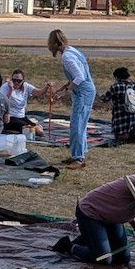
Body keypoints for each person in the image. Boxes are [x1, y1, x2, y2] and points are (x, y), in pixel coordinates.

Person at [58, 158, 135, 266]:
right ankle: (69, 246)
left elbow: (129, 206)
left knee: (122, 258)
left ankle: (89, 238)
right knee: (103, 259)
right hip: (91, 213)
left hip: (111, 218)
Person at [47, 29, 97, 169]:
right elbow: (77, 75)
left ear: (56, 43)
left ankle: (78, 158)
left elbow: (80, 77)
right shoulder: (72, 51)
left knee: (77, 125)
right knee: (80, 124)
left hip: (83, 93)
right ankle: (78, 154)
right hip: (84, 91)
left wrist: (66, 91)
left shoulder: (67, 57)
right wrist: (63, 87)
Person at [105, 67, 135, 145]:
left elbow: (105, 98)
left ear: (117, 77)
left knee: (118, 135)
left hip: (121, 114)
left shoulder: (116, 86)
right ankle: (134, 134)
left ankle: (128, 137)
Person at [0, 69, 37, 134]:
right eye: (14, 81)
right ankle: (10, 130)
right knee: (36, 130)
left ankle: (18, 131)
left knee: (39, 128)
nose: (16, 83)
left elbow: (38, 92)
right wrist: (11, 90)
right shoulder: (5, 87)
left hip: (22, 117)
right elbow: (5, 103)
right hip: (11, 118)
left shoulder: (26, 86)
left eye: (19, 81)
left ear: (23, 81)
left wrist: (46, 87)